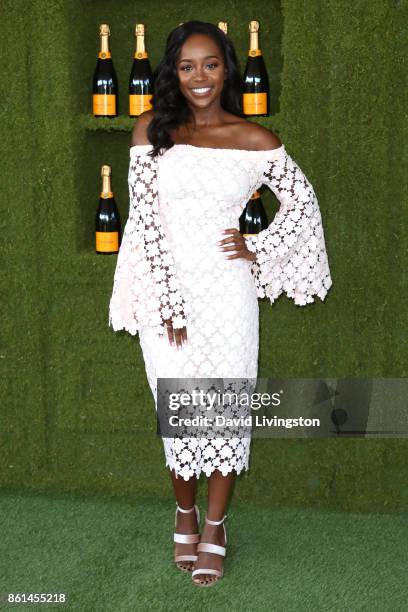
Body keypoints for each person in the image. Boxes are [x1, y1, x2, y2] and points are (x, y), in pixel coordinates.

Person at [108, 20, 332, 587]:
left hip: (227, 295)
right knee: (178, 409)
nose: (199, 77)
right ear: (173, 72)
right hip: (168, 293)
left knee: (225, 406)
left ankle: (215, 525)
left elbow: (303, 204)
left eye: (210, 64)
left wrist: (257, 246)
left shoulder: (256, 139)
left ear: (227, 67)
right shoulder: (151, 130)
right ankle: (184, 509)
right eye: (187, 66)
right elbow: (145, 226)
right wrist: (166, 303)